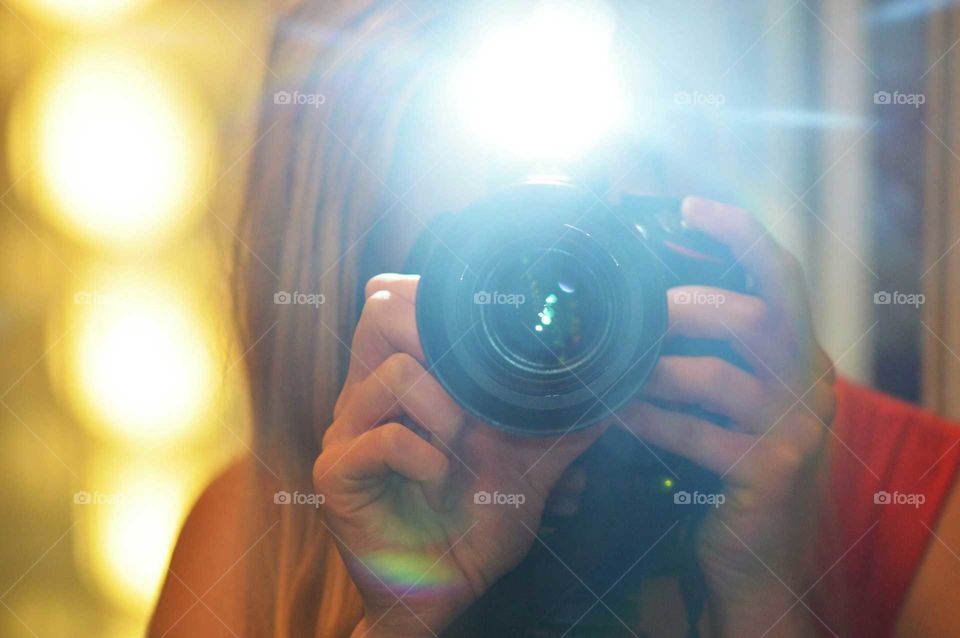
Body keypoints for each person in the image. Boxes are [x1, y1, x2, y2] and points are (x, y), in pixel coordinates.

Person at [148, 2, 960, 636]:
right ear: (362, 301)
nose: (547, 321)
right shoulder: (263, 533)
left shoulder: (903, 499)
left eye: (585, 258)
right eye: (487, 278)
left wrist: (766, 593)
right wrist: (403, 614)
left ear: (679, 225)